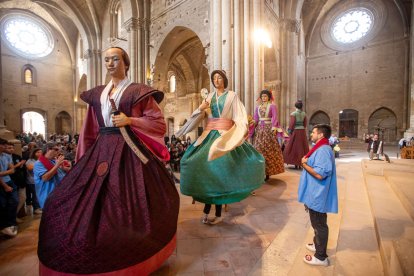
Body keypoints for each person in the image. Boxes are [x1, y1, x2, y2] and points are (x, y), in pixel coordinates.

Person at [37, 47, 179, 275]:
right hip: (101, 151)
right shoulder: (97, 94)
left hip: (129, 152)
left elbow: (159, 124)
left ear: (126, 63)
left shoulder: (137, 91)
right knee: (59, 204)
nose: (110, 63)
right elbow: (90, 131)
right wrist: (82, 162)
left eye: (115, 59)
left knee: (133, 206)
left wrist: (130, 120)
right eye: (106, 60)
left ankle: (137, 256)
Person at [177, 69, 265, 225]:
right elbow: (199, 114)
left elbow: (239, 116)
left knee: (219, 175)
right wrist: (201, 107)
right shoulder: (209, 97)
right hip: (209, 136)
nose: (216, 80)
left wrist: (238, 133)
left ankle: (217, 213)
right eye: (214, 78)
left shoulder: (232, 96)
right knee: (195, 165)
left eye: (219, 77)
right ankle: (206, 209)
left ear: (224, 79)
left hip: (225, 137)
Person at [298, 124, 338, 267]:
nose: (311, 134)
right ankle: (317, 245)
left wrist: (304, 164)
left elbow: (320, 174)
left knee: (319, 225)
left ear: (320, 135)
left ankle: (321, 257)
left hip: (318, 194)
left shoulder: (322, 150)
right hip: (315, 193)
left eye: (314, 132)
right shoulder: (322, 148)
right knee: (317, 224)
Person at [251, 89, 285, 181]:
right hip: (259, 131)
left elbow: (274, 117)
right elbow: (256, 118)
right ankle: (260, 171)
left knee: (269, 150)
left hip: (268, 130)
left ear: (269, 97)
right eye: (262, 96)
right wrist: (251, 121)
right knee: (258, 149)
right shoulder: (257, 107)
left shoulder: (272, 106)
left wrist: (274, 128)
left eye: (265, 96)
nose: (264, 98)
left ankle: (268, 173)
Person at [33, 142, 65, 208]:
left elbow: (61, 175)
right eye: (56, 149)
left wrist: (65, 169)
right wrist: (57, 165)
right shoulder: (38, 163)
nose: (58, 152)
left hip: (57, 194)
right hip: (47, 196)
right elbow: (45, 178)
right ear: (48, 149)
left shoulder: (53, 161)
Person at [283, 100, 309, 169]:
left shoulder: (293, 114)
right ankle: (301, 163)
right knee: (302, 147)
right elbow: (305, 123)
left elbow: (292, 123)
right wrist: (302, 128)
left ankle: (296, 163)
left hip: (296, 131)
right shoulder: (304, 114)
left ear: (295, 106)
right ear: (301, 106)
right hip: (302, 131)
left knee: (294, 147)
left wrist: (289, 131)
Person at [0, 138, 18, 237]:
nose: (5, 147)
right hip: (2, 183)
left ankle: (11, 223)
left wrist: (1, 173)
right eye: (3, 145)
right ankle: (4, 226)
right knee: (3, 205)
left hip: (9, 181)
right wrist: (5, 186)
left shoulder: (6, 156)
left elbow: (12, 170)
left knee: (14, 201)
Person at [25, 147, 42, 215]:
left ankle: (39, 207)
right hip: (32, 180)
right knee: (35, 195)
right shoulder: (30, 160)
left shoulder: (41, 160)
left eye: (41, 152)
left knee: (38, 195)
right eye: (38, 152)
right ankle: (36, 208)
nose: (40, 153)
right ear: (34, 153)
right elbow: (30, 168)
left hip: (40, 180)